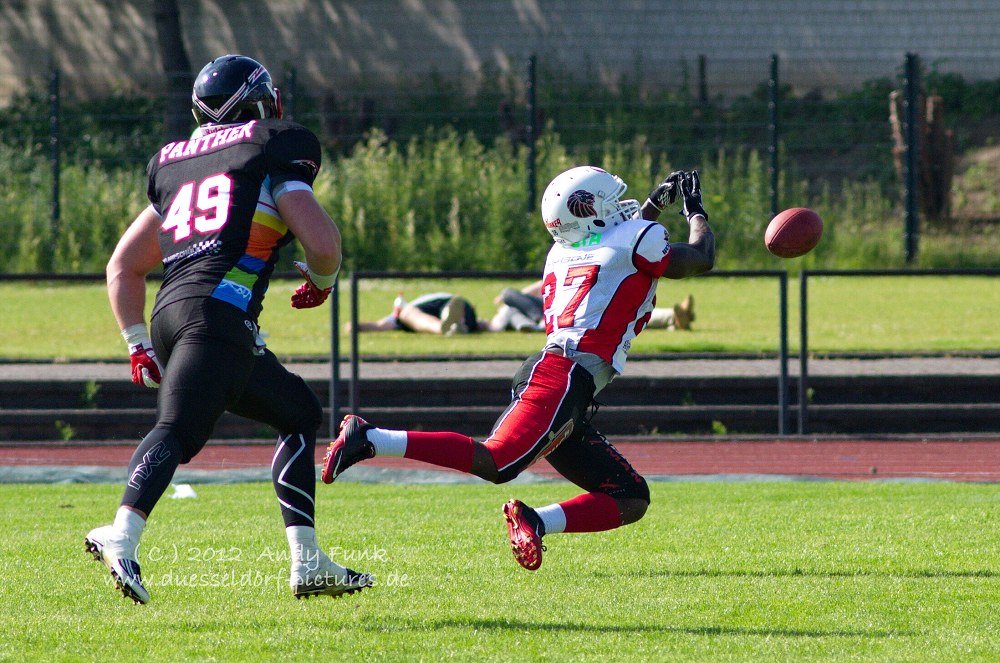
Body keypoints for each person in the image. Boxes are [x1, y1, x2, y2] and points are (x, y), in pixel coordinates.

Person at [321, 165, 715, 571]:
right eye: (610, 201)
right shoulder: (634, 239)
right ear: (590, 209)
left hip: (563, 379)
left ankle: (535, 520)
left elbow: (622, 247)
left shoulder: (565, 250)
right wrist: (694, 209)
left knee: (628, 497)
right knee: (497, 462)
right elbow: (700, 258)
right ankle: (371, 438)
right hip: (562, 376)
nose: (622, 207)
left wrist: (653, 203)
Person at [85, 54, 371, 604]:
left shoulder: (175, 164)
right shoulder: (273, 150)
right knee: (179, 429)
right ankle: (121, 533)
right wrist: (324, 279)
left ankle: (308, 560)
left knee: (297, 412)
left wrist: (137, 343)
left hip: (177, 315)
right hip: (215, 315)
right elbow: (325, 243)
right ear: (261, 103)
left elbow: (124, 263)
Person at [492, 280, 697, 332]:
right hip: (553, 315)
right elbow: (497, 323)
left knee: (619, 315)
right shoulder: (508, 311)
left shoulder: (514, 306)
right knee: (618, 316)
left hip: (557, 311)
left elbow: (541, 285)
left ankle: (673, 318)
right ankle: (673, 317)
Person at [348, 292, 487, 335]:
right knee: (407, 314)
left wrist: (356, 326)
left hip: (453, 306)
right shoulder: (421, 303)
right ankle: (457, 324)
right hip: (466, 311)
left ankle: (446, 327)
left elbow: (381, 325)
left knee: (407, 314)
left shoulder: (404, 310)